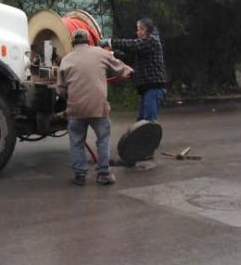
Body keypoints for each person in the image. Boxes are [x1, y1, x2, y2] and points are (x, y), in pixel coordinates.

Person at [57, 29, 133, 186]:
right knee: (103, 138)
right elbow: (120, 69)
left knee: (76, 141)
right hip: (98, 108)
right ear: (89, 41)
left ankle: (79, 175)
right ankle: (103, 174)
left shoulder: (66, 60)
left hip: (75, 109)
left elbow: (60, 89)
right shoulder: (101, 53)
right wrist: (131, 72)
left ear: (73, 44)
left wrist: (71, 98)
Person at [99, 17, 168, 122]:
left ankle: (148, 137)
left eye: (140, 29)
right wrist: (112, 53)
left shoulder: (151, 40)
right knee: (141, 121)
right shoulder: (144, 44)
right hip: (146, 88)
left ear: (145, 30)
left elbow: (132, 44)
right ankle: (143, 137)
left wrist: (110, 42)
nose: (138, 32)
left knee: (149, 122)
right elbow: (129, 57)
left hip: (153, 87)